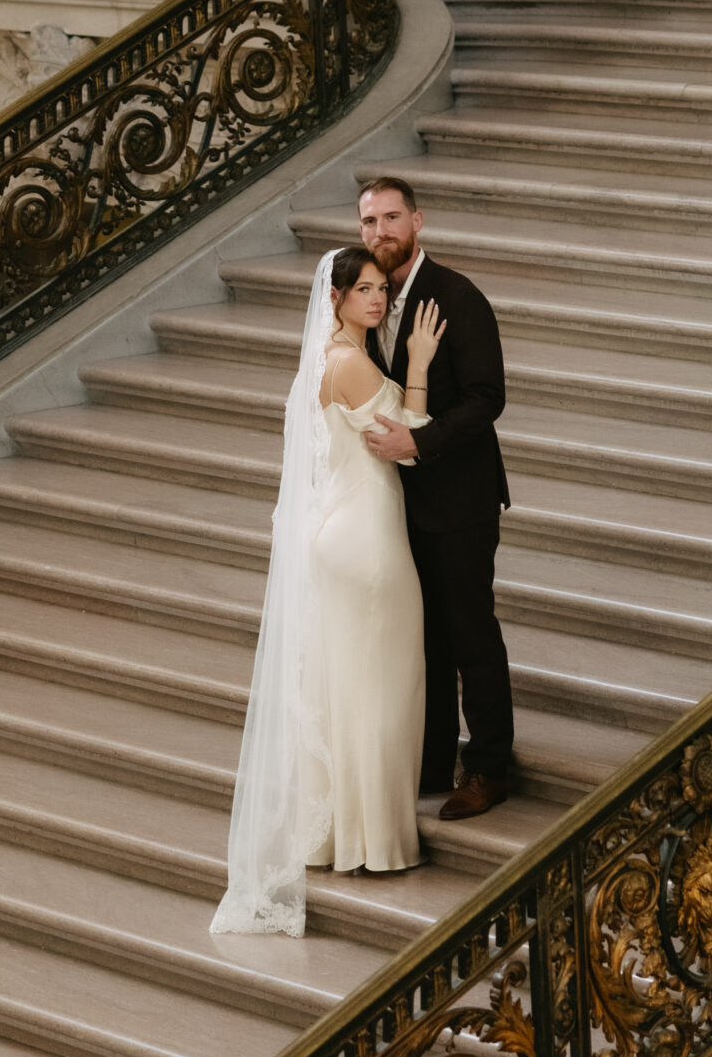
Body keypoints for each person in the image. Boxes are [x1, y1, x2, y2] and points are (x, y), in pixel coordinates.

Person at [211, 245, 444, 936]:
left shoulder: (320, 360)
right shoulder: (348, 362)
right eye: (363, 290)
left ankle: (334, 837)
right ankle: (379, 843)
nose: (376, 300)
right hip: (366, 538)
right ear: (336, 298)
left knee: (345, 687)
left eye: (381, 288)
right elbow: (406, 433)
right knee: (385, 685)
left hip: (333, 531)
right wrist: (422, 366)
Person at [358, 174, 514, 820]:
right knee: (420, 637)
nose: (380, 233)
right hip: (395, 502)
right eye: (368, 222)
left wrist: (419, 445)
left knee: (468, 632)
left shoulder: (456, 295)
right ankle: (429, 763)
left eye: (391, 218)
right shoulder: (365, 300)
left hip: (459, 499)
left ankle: (488, 767)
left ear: (417, 221)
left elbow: (486, 398)